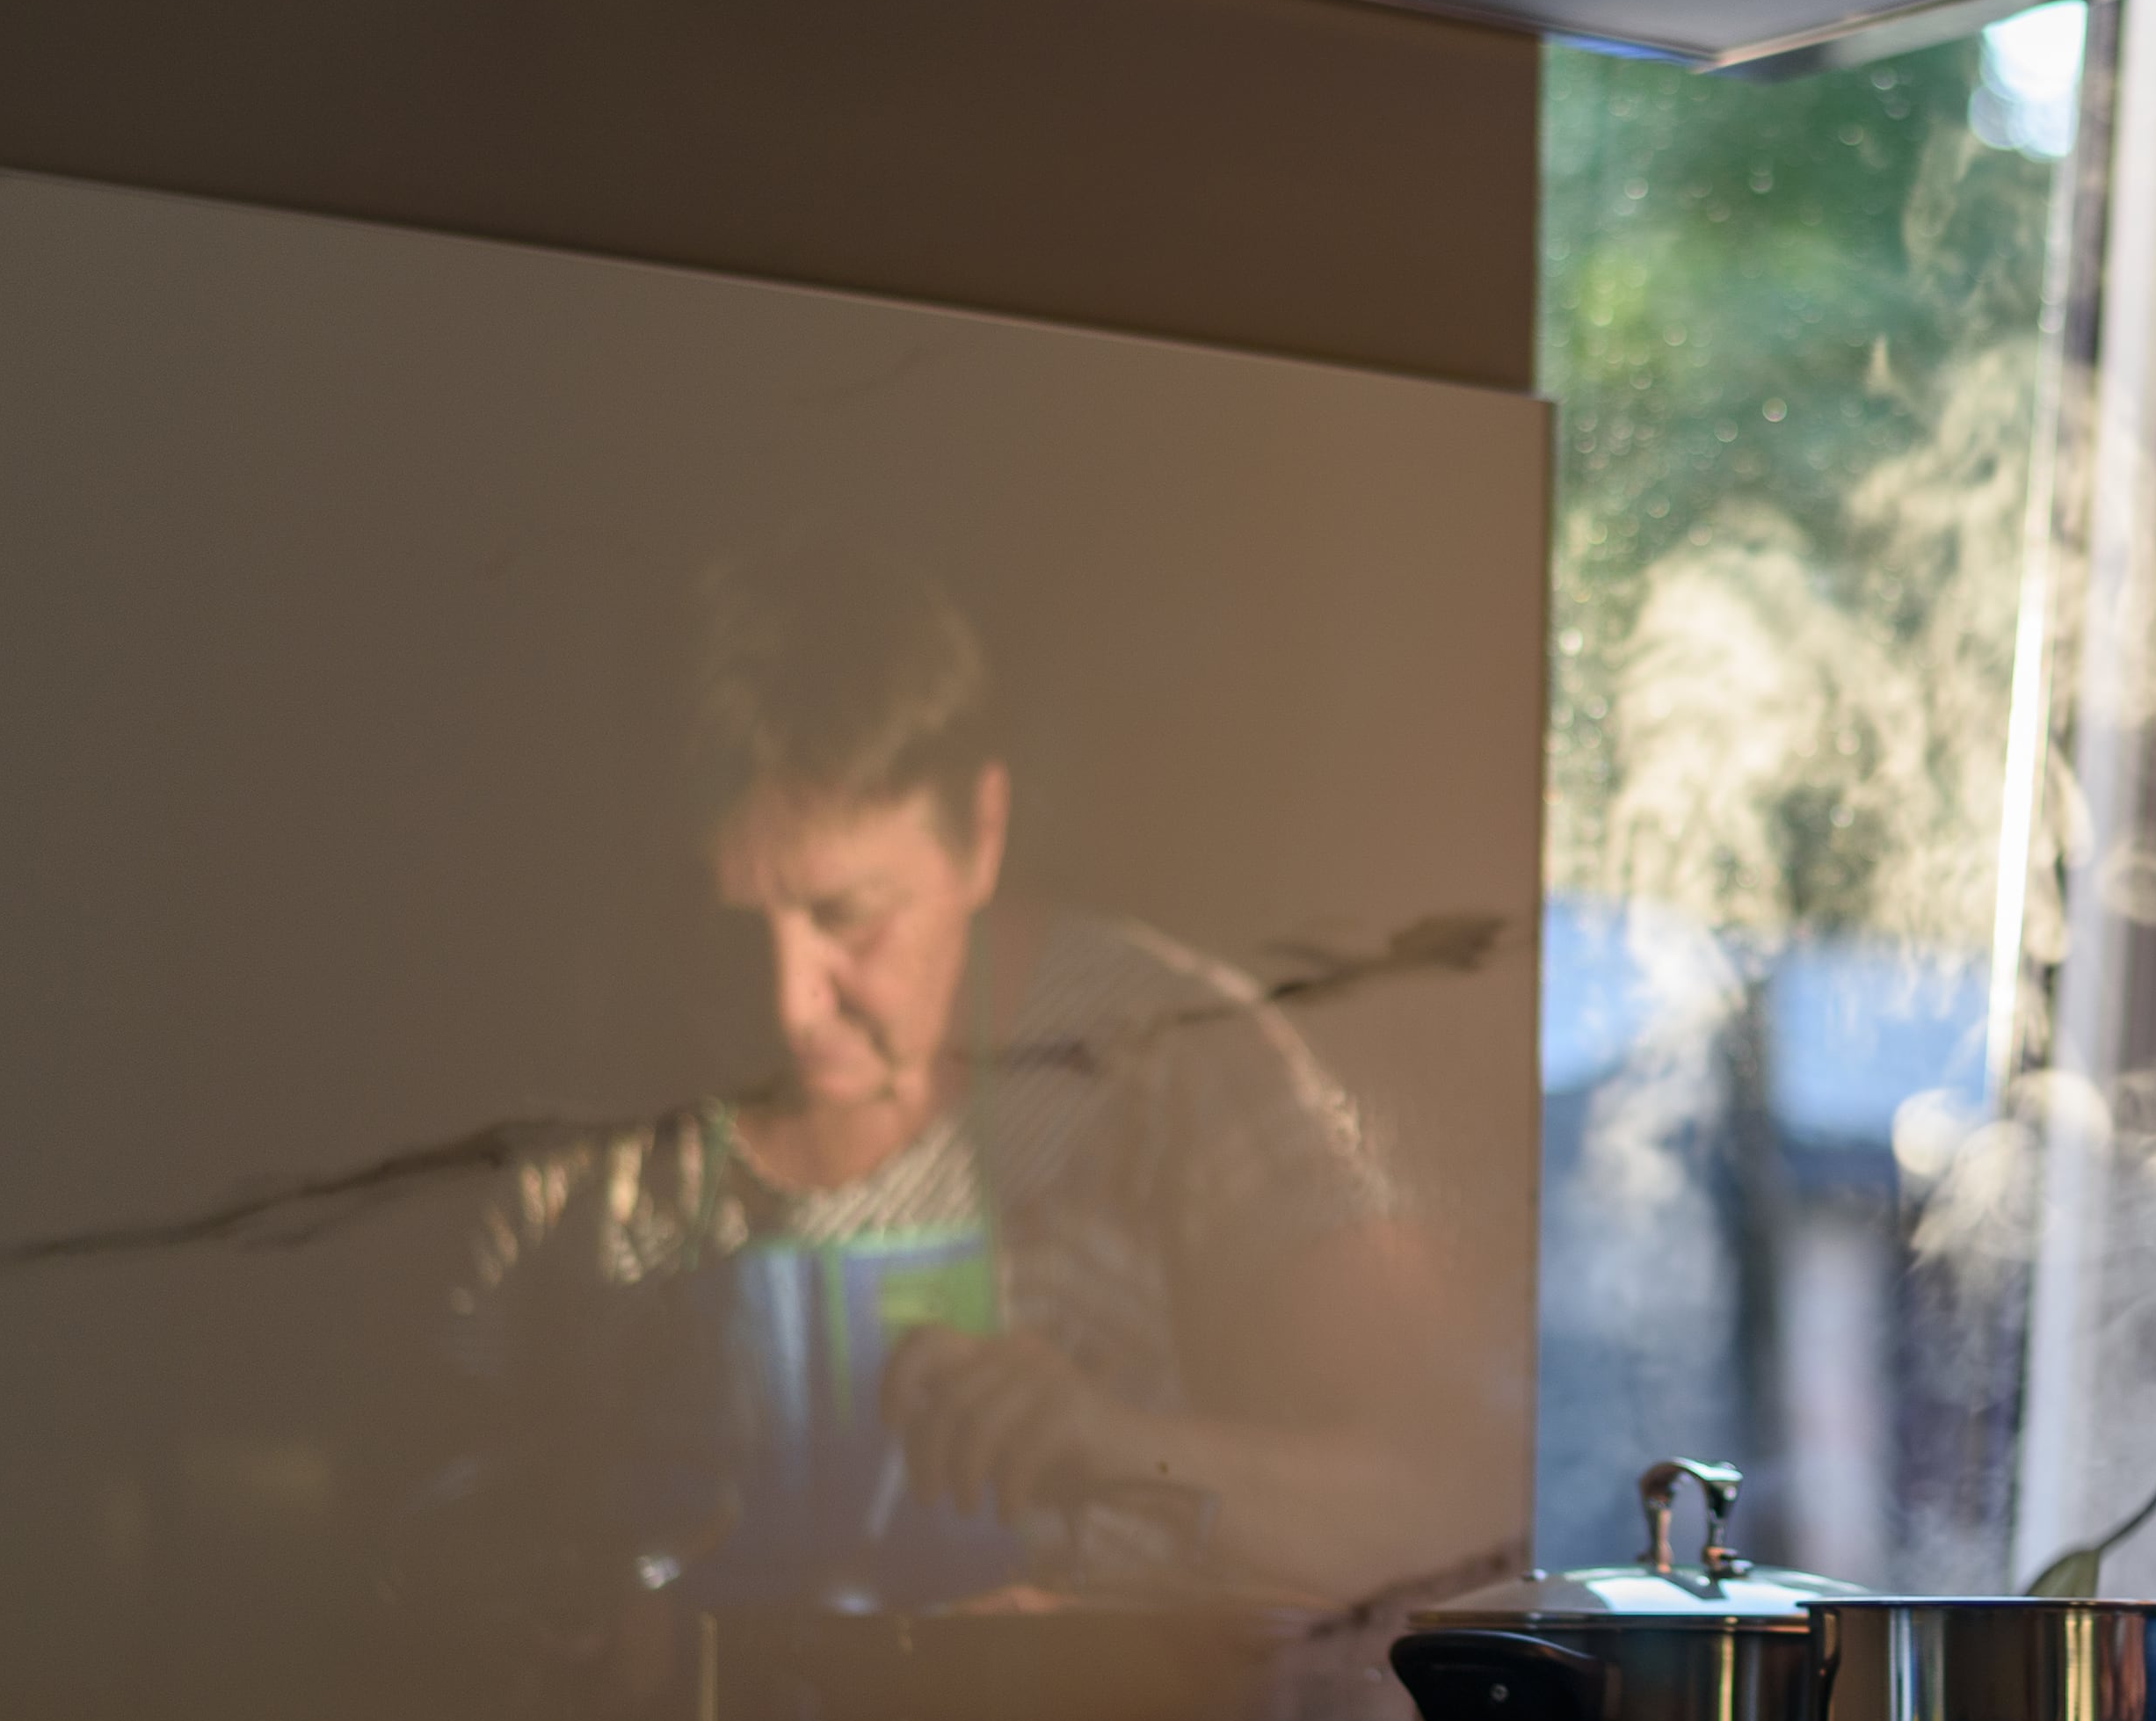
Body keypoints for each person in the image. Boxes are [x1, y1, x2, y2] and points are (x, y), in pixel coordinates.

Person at [465, 545, 1448, 1623]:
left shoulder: (1166, 1053)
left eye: (850, 917)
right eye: (730, 928)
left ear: (981, 835)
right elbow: (421, 1519)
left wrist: (1117, 1451)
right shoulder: (587, 1132)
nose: (791, 1002)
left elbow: (1436, 1494)